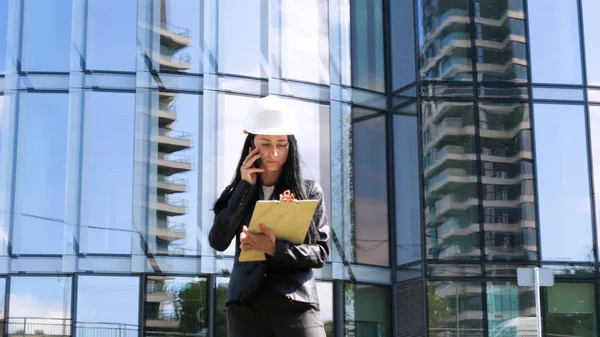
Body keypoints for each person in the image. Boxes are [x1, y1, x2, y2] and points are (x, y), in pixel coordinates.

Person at [209, 95, 329, 337]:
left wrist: (275, 248)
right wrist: (244, 188)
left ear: (290, 147)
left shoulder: (309, 191)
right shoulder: (236, 193)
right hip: (246, 307)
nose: (273, 152)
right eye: (265, 143)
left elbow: (320, 253)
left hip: (297, 304)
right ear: (251, 146)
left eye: (281, 144)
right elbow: (218, 241)